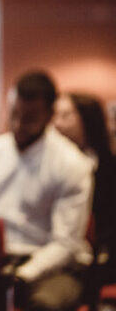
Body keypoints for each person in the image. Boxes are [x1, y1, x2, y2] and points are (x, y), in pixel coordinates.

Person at [0, 71, 93, 311]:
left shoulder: (71, 164)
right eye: (14, 116)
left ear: (49, 116)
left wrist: (22, 275)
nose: (19, 125)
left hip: (52, 268)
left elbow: (65, 244)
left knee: (47, 306)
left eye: (29, 119)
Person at [53, 92, 116, 284]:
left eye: (65, 116)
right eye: (54, 116)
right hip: (55, 252)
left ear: (87, 119)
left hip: (99, 255)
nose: (56, 123)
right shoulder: (49, 166)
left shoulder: (109, 167)